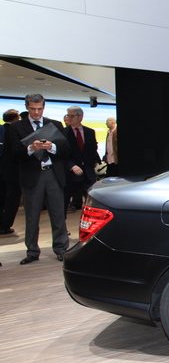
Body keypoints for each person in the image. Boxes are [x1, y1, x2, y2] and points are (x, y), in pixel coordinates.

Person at [6, 94, 70, 264]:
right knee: (32, 216)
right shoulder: (16, 127)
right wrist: (30, 148)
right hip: (31, 176)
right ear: (27, 107)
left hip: (53, 175)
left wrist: (53, 147)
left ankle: (61, 249)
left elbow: (66, 149)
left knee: (58, 214)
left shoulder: (54, 124)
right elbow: (13, 154)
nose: (36, 112)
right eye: (33, 109)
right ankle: (32, 251)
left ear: (44, 107)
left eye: (40, 108)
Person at [64, 106, 101, 213]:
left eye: (72, 116)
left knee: (93, 202)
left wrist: (92, 163)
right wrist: (71, 166)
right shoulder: (63, 133)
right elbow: (62, 154)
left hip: (88, 173)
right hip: (70, 174)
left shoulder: (90, 132)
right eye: (68, 115)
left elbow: (92, 150)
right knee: (65, 202)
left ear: (80, 117)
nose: (69, 118)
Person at [1, 109, 22, 235]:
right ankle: (5, 225)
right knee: (12, 199)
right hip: (13, 171)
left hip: (2, 171)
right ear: (15, 118)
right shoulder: (16, 131)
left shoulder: (1, 129)